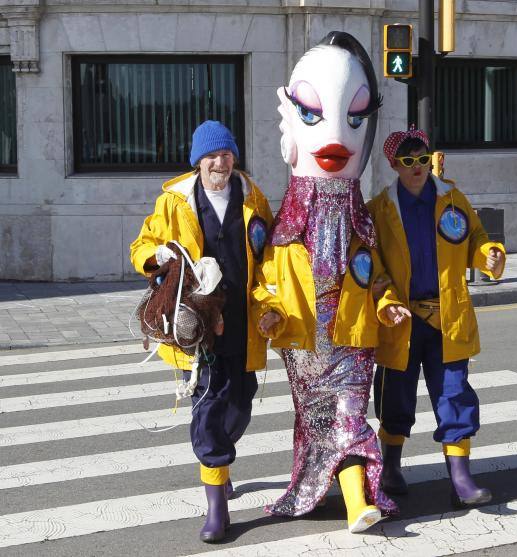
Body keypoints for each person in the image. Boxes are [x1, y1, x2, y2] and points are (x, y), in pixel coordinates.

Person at [258, 31, 403, 534]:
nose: (339, 133)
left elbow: (376, 274)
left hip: (351, 335)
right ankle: (323, 486)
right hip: (302, 338)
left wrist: (385, 304)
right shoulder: (284, 229)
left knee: (349, 416)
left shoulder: (360, 222)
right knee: (317, 421)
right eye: (313, 113)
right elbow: (267, 281)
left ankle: (356, 502)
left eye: (356, 116)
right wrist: (268, 310)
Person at [130, 120, 280, 543]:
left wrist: (270, 306)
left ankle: (221, 461)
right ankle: (217, 504)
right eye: (212, 156)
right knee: (210, 407)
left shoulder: (253, 198)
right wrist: (155, 254)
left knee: (242, 403)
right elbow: (140, 246)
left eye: (227, 154)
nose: (220, 162)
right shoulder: (175, 202)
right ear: (198, 161)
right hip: (196, 324)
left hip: (242, 321)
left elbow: (268, 260)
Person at [367, 127, 506, 508]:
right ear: (393, 164)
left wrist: (489, 254)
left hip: (447, 318)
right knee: (395, 395)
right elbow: (372, 265)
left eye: (422, 159)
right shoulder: (379, 209)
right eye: (408, 161)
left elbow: (474, 238)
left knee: (455, 394)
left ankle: (460, 478)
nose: (417, 167)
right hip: (401, 320)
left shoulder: (452, 199)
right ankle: (391, 467)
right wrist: (386, 301)